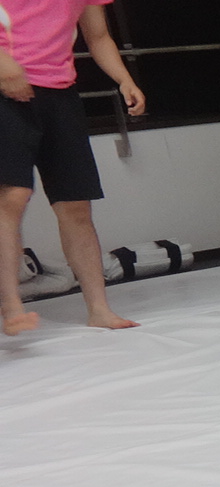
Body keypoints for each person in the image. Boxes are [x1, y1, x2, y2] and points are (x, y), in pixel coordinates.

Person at [0, 0, 145, 335]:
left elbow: (98, 36)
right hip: (6, 88)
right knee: (12, 195)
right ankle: (11, 306)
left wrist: (124, 79)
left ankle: (99, 309)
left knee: (76, 203)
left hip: (60, 92)